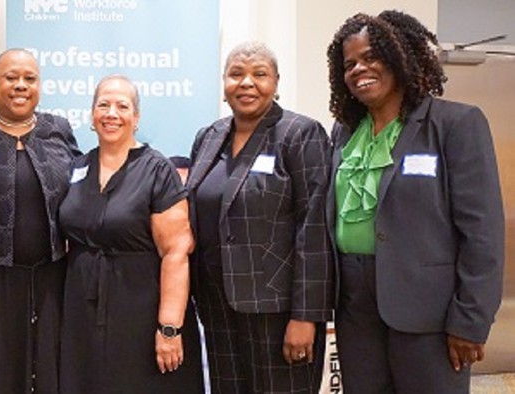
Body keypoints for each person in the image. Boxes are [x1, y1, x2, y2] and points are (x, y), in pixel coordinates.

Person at [326, 11, 504, 393]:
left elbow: (483, 233)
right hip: (355, 309)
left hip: (429, 314)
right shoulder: (343, 133)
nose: (360, 68)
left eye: (372, 56)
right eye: (350, 63)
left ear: (400, 55)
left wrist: (470, 321)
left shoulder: (455, 124)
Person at [186, 41, 333, 393]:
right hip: (216, 302)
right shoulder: (208, 137)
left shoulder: (299, 134)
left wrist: (306, 316)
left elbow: (314, 229)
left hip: (278, 310)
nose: (247, 83)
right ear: (224, 83)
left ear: (276, 82)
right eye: (236, 74)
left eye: (259, 74)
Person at [58, 75, 203, 393]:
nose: (112, 113)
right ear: (91, 115)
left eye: (122, 106)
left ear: (136, 118)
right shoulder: (77, 168)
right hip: (82, 311)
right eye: (103, 105)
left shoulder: (157, 170)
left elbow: (176, 252)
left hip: (140, 311)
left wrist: (169, 328)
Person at [0, 48, 79, 394]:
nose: (20, 85)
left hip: (52, 276)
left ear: (39, 85)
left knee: (51, 367)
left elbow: (82, 194)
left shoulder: (58, 130)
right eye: (11, 78)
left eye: (29, 78)